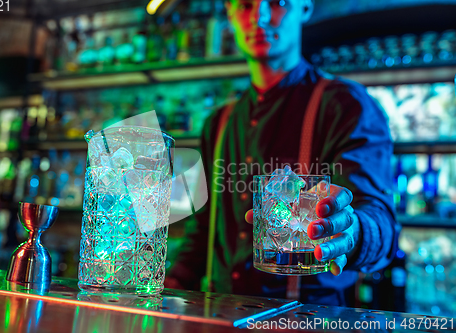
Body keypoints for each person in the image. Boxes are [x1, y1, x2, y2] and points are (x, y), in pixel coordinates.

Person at [166, 0, 400, 306]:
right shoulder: (218, 123)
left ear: (305, 7)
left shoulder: (347, 106)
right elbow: (201, 231)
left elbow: (381, 220)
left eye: (277, 2)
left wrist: (353, 231)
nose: (260, 17)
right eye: (246, 5)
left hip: (309, 319)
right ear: (230, 13)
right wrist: (168, 286)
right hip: (219, 314)